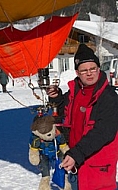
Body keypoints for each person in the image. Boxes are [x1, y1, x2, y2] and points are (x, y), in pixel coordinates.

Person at [47, 44, 118, 190]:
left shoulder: (109, 97)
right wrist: (57, 99)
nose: (89, 73)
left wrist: (75, 154)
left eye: (93, 69)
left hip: (97, 164)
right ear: (77, 73)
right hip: (75, 160)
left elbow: (103, 132)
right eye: (84, 70)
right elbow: (64, 113)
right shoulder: (75, 91)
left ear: (99, 69)